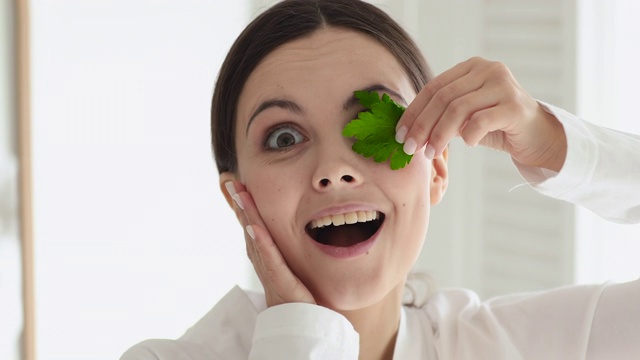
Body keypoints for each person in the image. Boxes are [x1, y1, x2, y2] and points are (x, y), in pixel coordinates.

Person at [121, 0, 640, 359]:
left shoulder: (527, 345)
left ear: (436, 169)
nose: (333, 170)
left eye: (374, 123)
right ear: (239, 197)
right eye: (283, 137)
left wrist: (558, 144)